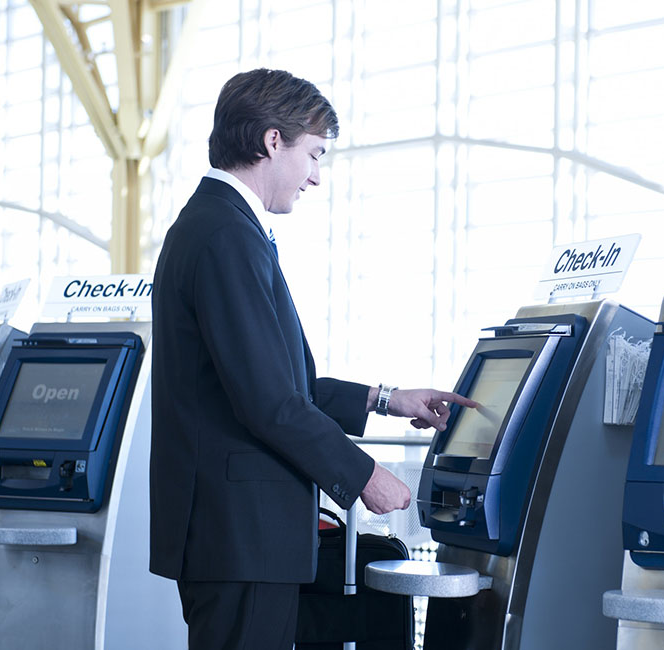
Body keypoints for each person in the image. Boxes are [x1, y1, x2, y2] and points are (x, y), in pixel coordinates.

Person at [149, 68, 476, 650]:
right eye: (315, 154)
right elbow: (269, 402)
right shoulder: (225, 234)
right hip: (239, 534)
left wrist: (386, 400)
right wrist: (364, 476)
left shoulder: (219, 226)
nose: (316, 177)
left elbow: (271, 382)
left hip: (239, 533)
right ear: (272, 141)